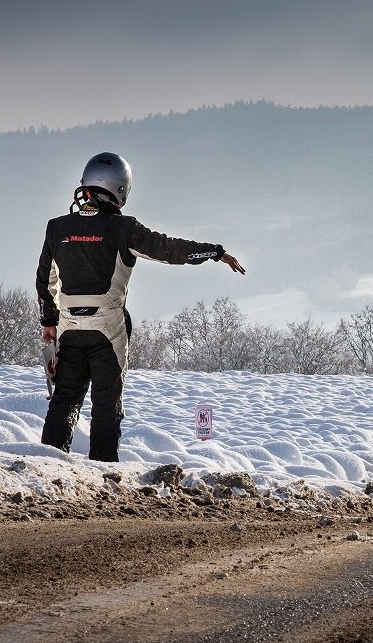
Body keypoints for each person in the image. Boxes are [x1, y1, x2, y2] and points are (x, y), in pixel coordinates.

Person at [36, 152, 246, 461]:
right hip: (107, 331)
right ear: (121, 189)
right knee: (107, 405)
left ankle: (46, 465)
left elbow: (44, 280)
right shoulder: (124, 228)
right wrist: (214, 252)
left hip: (68, 330)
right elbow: (167, 249)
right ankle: (104, 470)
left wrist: (49, 321)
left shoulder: (56, 228)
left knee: (64, 400)